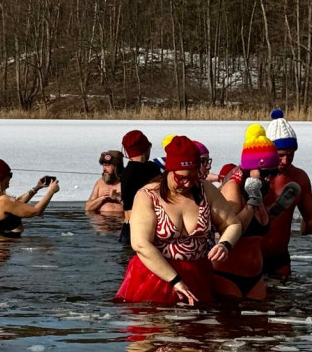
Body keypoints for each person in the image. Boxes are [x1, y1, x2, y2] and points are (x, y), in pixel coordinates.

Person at [115, 136, 242, 306]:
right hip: (157, 275)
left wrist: (225, 244)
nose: (188, 183)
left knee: (198, 328)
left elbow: (232, 224)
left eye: (193, 176)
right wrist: (175, 280)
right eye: (181, 178)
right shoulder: (148, 196)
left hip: (197, 273)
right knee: (158, 327)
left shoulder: (204, 189)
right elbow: (140, 244)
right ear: (169, 170)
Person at [213, 126, 280, 300]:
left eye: (273, 173)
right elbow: (230, 229)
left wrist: (276, 209)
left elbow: (258, 230)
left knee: (261, 325)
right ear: (250, 168)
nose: (269, 178)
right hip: (227, 275)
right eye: (265, 172)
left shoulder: (259, 188)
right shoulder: (233, 188)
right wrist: (251, 204)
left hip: (255, 277)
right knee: (232, 325)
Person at [261, 108, 312, 277]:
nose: (285, 161)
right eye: (281, 155)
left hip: (280, 257)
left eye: (291, 155)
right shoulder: (251, 175)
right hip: (250, 256)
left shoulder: (299, 177)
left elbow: (311, 222)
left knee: (284, 301)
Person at [0, 158, 59, 236]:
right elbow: (36, 211)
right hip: (8, 242)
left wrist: (36, 188)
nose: (10, 178)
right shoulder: (3, 200)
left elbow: (16, 203)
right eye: (10, 175)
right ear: (2, 177)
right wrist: (51, 191)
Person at [118, 129, 161, 246]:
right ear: (146, 148)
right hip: (144, 229)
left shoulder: (126, 173)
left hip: (127, 228)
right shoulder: (151, 170)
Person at [85, 150, 124, 215]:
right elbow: (88, 207)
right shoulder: (100, 183)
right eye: (103, 165)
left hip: (121, 221)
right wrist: (101, 198)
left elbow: (135, 206)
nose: (104, 169)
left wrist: (118, 197)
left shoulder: (126, 182)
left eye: (108, 165)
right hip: (102, 222)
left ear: (117, 167)